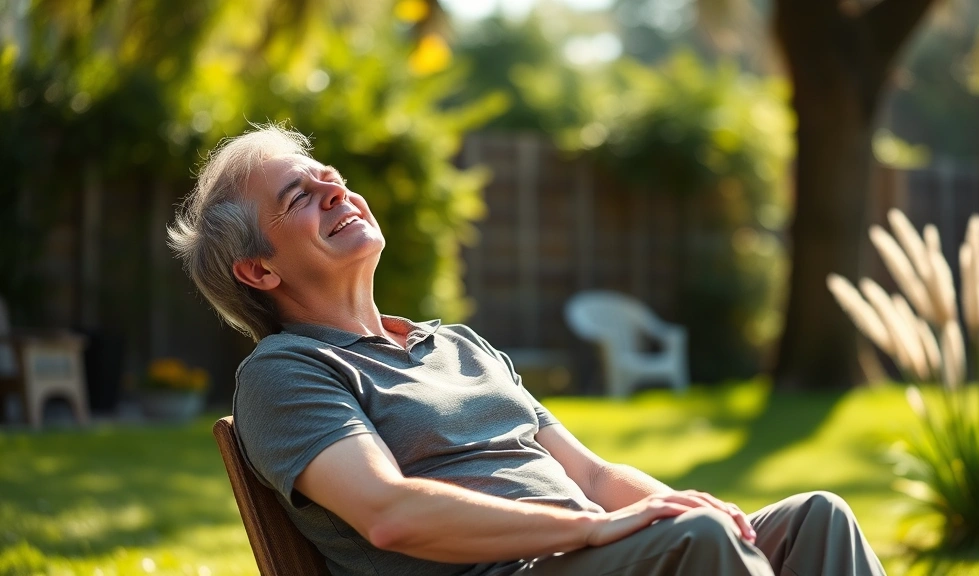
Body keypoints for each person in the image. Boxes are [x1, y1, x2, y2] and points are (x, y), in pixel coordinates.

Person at [169, 124, 886, 576]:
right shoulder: (288, 372)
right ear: (260, 271)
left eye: (331, 177)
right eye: (299, 195)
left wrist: (681, 508)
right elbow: (390, 513)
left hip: (587, 552)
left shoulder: (458, 347)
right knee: (696, 543)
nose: (334, 189)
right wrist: (600, 528)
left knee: (813, 519)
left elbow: (597, 477)